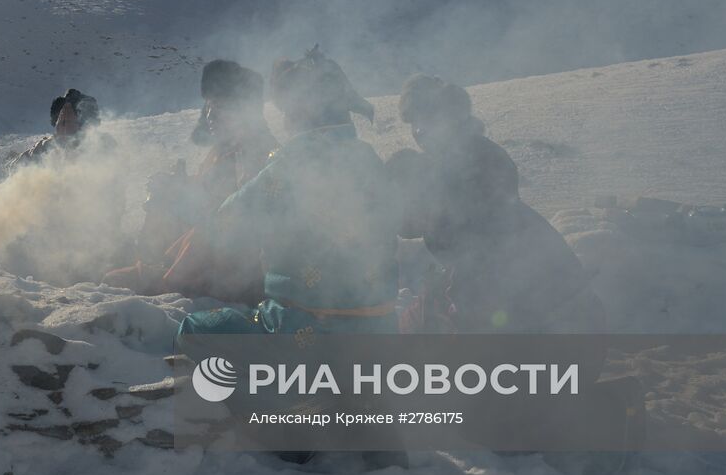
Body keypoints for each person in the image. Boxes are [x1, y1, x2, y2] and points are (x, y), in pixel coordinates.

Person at [175, 47, 399, 349]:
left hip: (308, 327)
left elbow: (230, 218)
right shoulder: (368, 157)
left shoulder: (295, 159)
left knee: (194, 329)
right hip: (381, 329)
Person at [388, 74, 601, 334]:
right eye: (414, 125)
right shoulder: (479, 158)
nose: (418, 133)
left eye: (426, 122)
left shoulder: (461, 183)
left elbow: (419, 223)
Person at [103, 59, 278, 300]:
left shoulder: (257, 151)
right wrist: (177, 185)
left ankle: (170, 279)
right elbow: (204, 190)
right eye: (208, 107)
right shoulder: (223, 149)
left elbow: (237, 212)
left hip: (239, 265)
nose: (210, 116)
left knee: (213, 222)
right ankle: (160, 267)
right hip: (205, 246)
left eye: (219, 107)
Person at [6, 88, 103, 173]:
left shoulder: (98, 145)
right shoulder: (46, 146)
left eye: (69, 122)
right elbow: (16, 166)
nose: (64, 129)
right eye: (61, 123)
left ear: (83, 126)